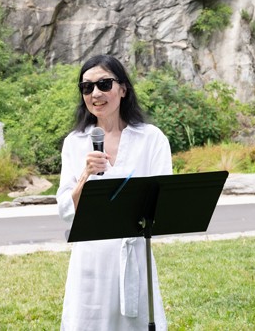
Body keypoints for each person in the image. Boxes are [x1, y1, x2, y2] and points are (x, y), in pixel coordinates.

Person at [57, 54, 172, 330]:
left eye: (104, 84)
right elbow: (65, 211)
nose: (96, 93)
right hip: (90, 261)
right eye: (87, 87)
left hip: (134, 257)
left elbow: (163, 201)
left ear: (123, 89)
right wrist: (85, 175)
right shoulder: (75, 143)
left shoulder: (151, 138)